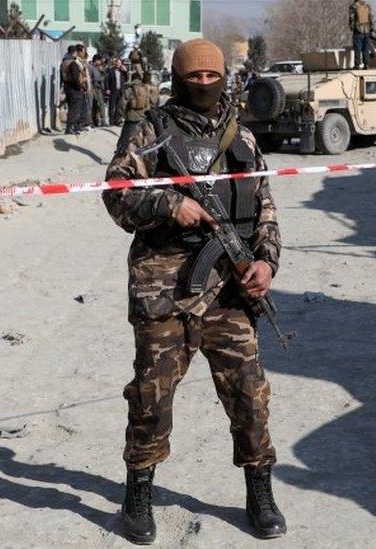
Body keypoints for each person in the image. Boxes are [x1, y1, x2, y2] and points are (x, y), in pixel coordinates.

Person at [102, 38, 286, 544]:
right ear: (178, 79)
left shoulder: (244, 139)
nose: (204, 83)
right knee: (151, 397)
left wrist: (266, 263)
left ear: (224, 76)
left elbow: (265, 208)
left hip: (230, 290)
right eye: (194, 76)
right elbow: (116, 194)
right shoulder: (150, 131)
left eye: (212, 76)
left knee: (250, 393)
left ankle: (259, 489)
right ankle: (138, 492)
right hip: (165, 290)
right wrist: (167, 205)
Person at [117, 71, 158, 152]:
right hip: (143, 117)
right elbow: (150, 102)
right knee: (142, 138)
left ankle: (120, 153)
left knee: (125, 138)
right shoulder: (145, 88)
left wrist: (119, 115)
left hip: (131, 117)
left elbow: (122, 104)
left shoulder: (130, 89)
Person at [63, 45, 90, 134]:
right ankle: (70, 127)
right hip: (75, 89)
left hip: (67, 87)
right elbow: (75, 78)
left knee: (72, 108)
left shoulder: (64, 61)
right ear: (75, 52)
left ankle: (72, 126)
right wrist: (81, 85)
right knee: (75, 109)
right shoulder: (73, 63)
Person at [349, 0, 374, 69]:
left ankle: (357, 65)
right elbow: (371, 17)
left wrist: (352, 28)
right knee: (366, 48)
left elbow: (351, 18)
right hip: (367, 30)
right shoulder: (367, 5)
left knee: (358, 48)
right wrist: (371, 29)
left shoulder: (353, 6)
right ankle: (367, 65)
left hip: (358, 31)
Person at [107, 58, 129, 126]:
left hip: (120, 91)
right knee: (112, 106)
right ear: (115, 63)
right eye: (117, 62)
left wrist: (125, 71)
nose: (118, 64)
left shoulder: (122, 71)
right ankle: (111, 121)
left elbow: (127, 79)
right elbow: (107, 80)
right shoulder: (111, 70)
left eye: (120, 63)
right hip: (113, 90)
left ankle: (118, 121)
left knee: (119, 107)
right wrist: (107, 89)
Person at [89, 54, 107, 127]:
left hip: (96, 88)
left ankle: (94, 121)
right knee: (100, 105)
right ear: (96, 60)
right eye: (100, 61)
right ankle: (102, 121)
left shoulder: (92, 67)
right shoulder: (93, 68)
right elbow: (98, 78)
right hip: (95, 88)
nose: (101, 63)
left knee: (95, 106)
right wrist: (102, 73)